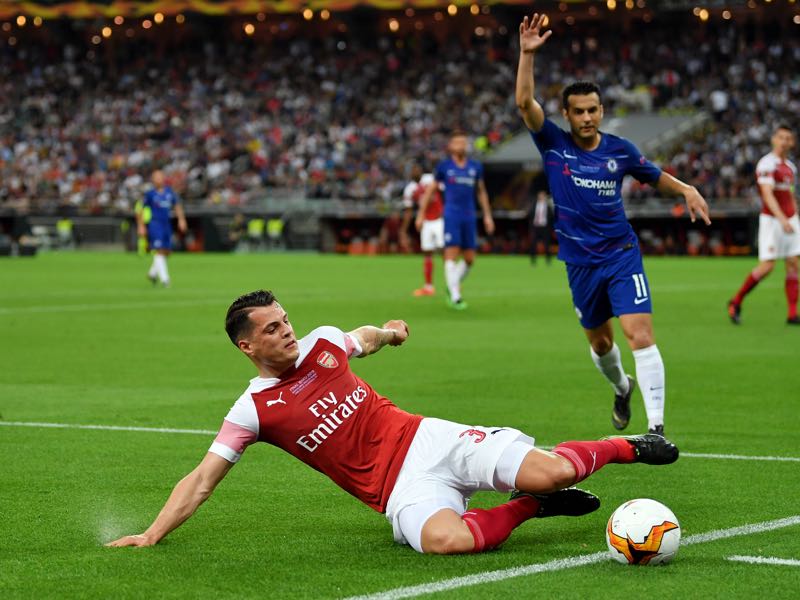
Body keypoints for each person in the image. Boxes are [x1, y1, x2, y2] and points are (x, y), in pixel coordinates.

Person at [107, 290, 679, 554]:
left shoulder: (323, 344)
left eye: (286, 320)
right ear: (245, 344)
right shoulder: (252, 411)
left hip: (427, 437)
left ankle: (626, 445)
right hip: (397, 489)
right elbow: (202, 479)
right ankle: (531, 508)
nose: (287, 330)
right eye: (273, 328)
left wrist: (392, 331)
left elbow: (365, 338)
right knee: (447, 541)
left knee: (553, 469)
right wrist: (153, 533)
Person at [515, 13, 711, 435]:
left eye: (593, 110)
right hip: (580, 262)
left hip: (621, 254)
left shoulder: (620, 150)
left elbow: (654, 175)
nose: (587, 118)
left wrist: (687, 189)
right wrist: (527, 55)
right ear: (566, 115)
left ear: (602, 110)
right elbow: (524, 104)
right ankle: (622, 387)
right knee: (602, 344)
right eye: (579, 111)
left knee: (639, 334)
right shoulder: (553, 144)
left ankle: (656, 429)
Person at [728, 125, 799, 325]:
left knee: (793, 263)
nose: (784, 141)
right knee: (767, 267)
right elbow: (767, 195)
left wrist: (795, 217)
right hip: (772, 220)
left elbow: (790, 194)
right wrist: (782, 219)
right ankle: (736, 301)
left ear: (792, 142)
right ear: (773, 140)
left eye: (788, 138)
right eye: (781, 137)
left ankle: (792, 313)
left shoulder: (790, 167)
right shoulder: (767, 164)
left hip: (790, 219)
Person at [416, 132, 495, 310]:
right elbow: (430, 191)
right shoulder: (444, 167)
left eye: (463, 142)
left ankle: (451, 285)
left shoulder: (475, 167)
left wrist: (488, 215)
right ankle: (455, 296)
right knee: (451, 253)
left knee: (469, 259)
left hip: (470, 216)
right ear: (451, 146)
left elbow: (481, 191)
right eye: (457, 142)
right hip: (452, 215)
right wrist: (421, 214)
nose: (461, 145)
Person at [136, 170, 187, 286]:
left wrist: (181, 219)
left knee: (167, 251)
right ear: (153, 180)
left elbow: (177, 206)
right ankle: (165, 280)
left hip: (166, 224)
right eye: (156, 177)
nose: (158, 179)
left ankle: (152, 273)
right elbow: (140, 210)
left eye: (160, 177)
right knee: (159, 250)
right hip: (155, 224)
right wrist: (141, 226)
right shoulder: (150, 194)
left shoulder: (169, 192)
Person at [401, 165, 445, 296]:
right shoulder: (409, 190)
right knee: (427, 252)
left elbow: (444, 191)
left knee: (444, 251)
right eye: (412, 170)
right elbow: (408, 211)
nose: (415, 171)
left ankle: (454, 284)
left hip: (439, 219)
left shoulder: (430, 179)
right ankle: (428, 287)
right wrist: (403, 230)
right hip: (425, 221)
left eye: (417, 169)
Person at [530, 190, 554, 265]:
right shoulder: (534, 204)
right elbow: (531, 215)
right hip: (536, 227)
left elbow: (551, 217)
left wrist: (550, 227)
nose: (541, 197)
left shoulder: (548, 206)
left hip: (545, 227)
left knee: (547, 244)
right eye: (540, 195)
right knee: (533, 243)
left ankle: (548, 259)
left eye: (542, 195)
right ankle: (533, 260)